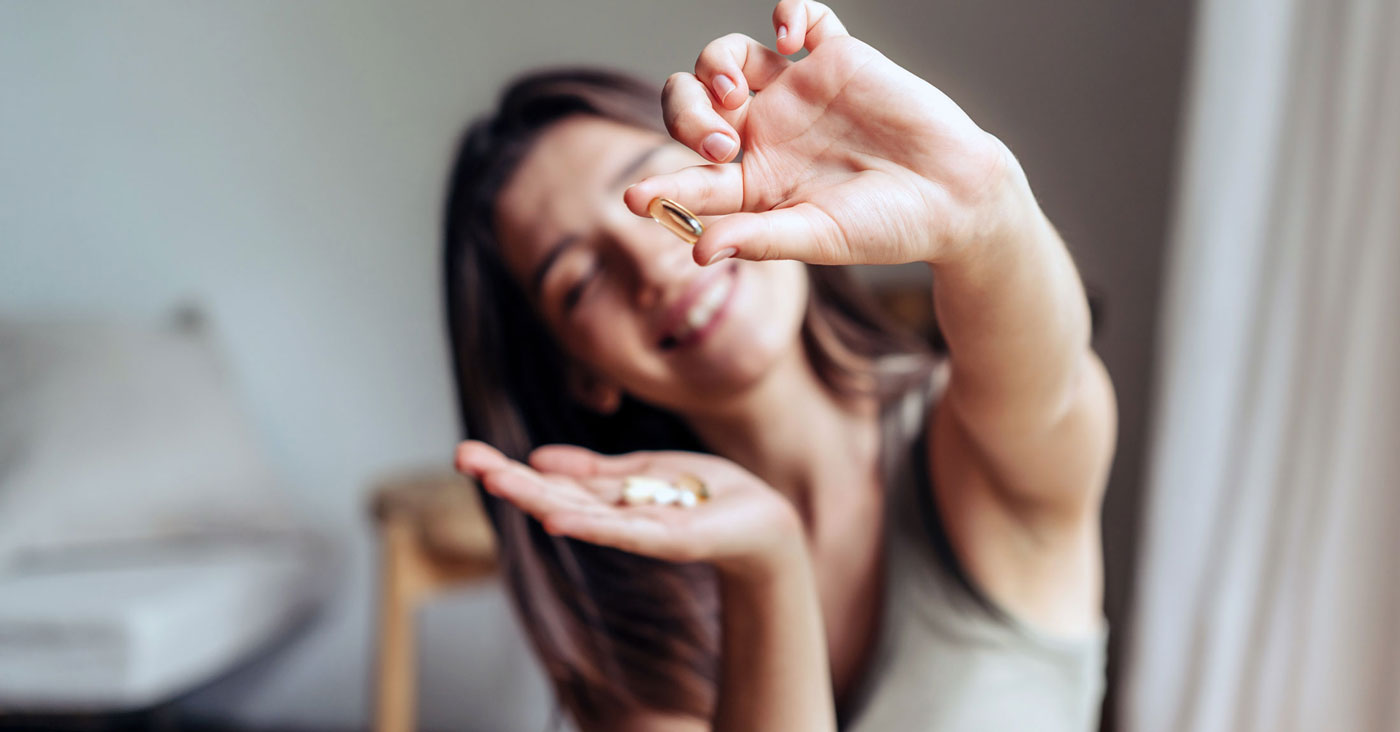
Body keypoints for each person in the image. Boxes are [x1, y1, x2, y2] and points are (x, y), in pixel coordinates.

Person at [446, 1, 1116, 729]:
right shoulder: (633, 598)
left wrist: (982, 202)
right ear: (583, 374)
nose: (650, 262)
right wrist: (766, 565)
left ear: (734, 164)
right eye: (579, 282)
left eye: (652, 195)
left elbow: (1050, 385)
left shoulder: (974, 444)